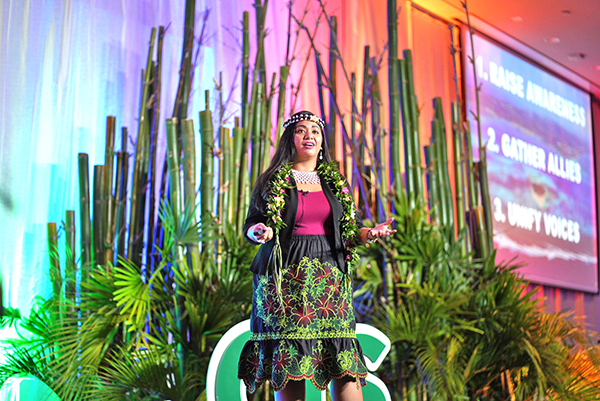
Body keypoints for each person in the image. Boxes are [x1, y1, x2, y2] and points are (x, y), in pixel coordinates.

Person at [237, 111, 395, 401]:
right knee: (291, 361)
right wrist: (258, 231)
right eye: (301, 130)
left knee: (343, 363)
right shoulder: (272, 180)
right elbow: (251, 224)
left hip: (329, 282)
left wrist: (370, 233)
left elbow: (350, 231)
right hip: (285, 280)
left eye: (315, 131)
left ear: (322, 142)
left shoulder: (336, 183)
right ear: (290, 138)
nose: (309, 135)